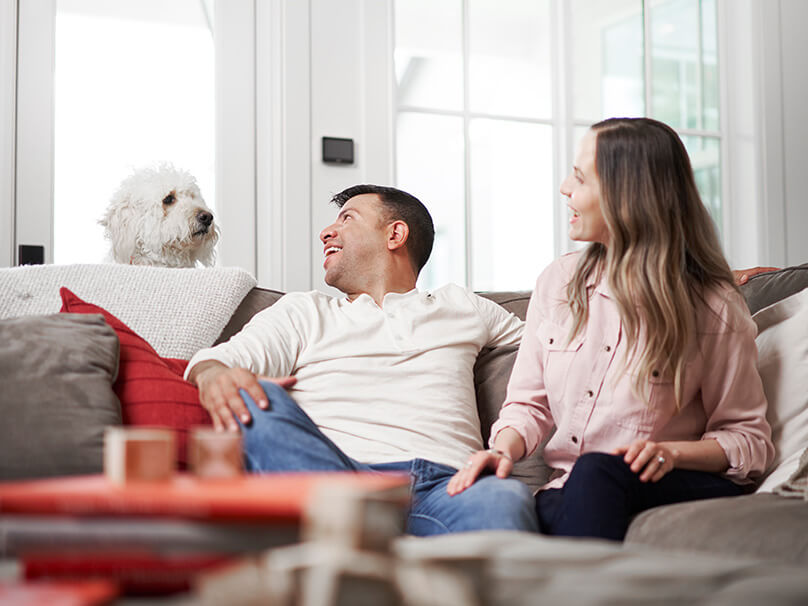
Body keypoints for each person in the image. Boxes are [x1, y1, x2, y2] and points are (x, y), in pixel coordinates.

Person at [447, 117, 775, 541]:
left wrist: (671, 453)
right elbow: (528, 405)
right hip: (574, 487)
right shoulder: (558, 283)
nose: (565, 187)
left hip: (667, 481)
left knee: (597, 471)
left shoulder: (712, 307)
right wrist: (501, 451)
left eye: (580, 178)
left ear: (628, 195)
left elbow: (748, 440)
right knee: (520, 505)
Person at [184, 184, 538, 536]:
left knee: (503, 496)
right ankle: (361, 535)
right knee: (255, 397)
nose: (326, 233)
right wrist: (213, 374)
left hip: (452, 487)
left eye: (347, 218)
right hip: (339, 481)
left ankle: (361, 544)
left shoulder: (462, 305)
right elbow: (217, 362)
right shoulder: (304, 311)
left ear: (395, 235)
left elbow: (553, 346)